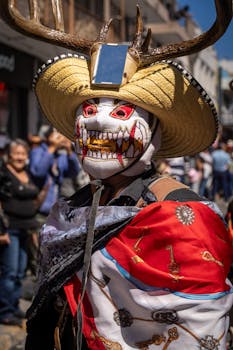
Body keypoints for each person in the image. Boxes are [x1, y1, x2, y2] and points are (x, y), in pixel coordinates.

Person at [3, 2, 229, 349]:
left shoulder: (182, 214)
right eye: (89, 109)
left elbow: (196, 331)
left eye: (122, 111)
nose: (97, 121)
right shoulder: (72, 207)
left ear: (153, 132)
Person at [0, 139, 43, 326]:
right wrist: (1, 230)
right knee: (9, 272)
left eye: (23, 154)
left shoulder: (26, 174)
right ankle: (4, 311)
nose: (19, 157)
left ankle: (14, 305)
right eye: (16, 153)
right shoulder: (4, 174)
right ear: (9, 155)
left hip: (26, 229)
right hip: (10, 229)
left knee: (19, 272)